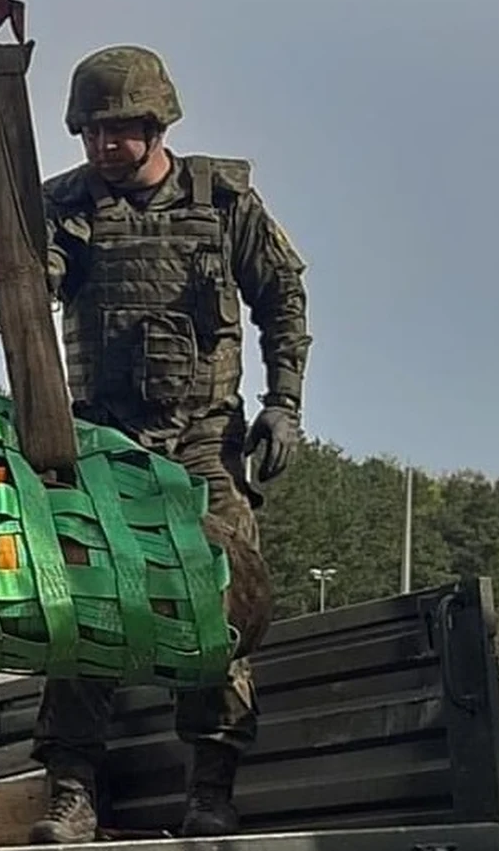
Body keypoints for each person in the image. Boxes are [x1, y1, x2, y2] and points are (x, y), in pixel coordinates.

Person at [27, 45, 312, 842]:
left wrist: (284, 402)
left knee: (221, 604)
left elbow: (282, 296)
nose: (103, 146)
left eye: (118, 130)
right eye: (91, 132)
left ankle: (211, 786)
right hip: (103, 443)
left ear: (157, 126)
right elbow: (32, 285)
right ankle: (72, 791)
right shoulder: (64, 208)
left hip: (204, 438)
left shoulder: (224, 203)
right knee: (80, 608)